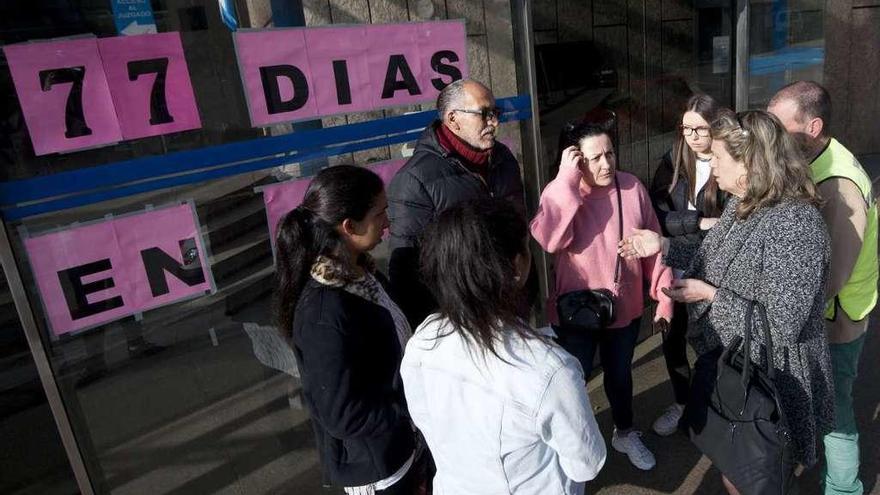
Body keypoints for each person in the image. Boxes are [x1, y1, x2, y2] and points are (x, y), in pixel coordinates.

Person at [619, 110, 835, 494]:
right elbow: (713, 254)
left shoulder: (796, 222)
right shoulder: (743, 201)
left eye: (718, 157)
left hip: (774, 377)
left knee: (764, 477)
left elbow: (784, 323)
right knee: (738, 468)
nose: (710, 164)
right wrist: (664, 245)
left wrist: (709, 295)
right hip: (738, 363)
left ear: (751, 163)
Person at [401, 198, 606, 495]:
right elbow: (586, 463)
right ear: (517, 266)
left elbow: (423, 418)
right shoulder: (549, 368)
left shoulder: (424, 339)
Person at [530, 122, 674, 471]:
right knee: (572, 381)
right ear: (576, 160)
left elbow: (653, 243)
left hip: (623, 307)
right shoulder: (561, 191)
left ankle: (625, 432)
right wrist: (566, 181)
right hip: (576, 312)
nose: (606, 164)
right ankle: (574, 446)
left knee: (620, 375)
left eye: (609, 153)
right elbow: (549, 240)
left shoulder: (631, 187)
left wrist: (664, 295)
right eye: (595, 158)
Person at [274, 165, 419, 494]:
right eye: (380, 213)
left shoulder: (361, 273)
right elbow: (342, 416)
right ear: (349, 226)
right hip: (378, 466)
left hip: (402, 445)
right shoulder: (324, 313)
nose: (387, 222)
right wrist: (412, 405)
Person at [769, 80, 877, 495]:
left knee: (837, 413)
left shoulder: (840, 183)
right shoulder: (816, 163)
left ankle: (844, 489)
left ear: (812, 127)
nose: (773, 135)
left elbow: (834, 276)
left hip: (838, 322)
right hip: (826, 317)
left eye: (781, 126)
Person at [387, 78, 526, 328]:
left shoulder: (503, 159)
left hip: (509, 311)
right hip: (460, 325)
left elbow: (518, 232)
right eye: (484, 114)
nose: (494, 123)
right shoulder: (415, 180)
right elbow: (407, 273)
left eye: (496, 113)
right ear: (453, 119)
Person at [649, 94, 728, 436]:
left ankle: (720, 409)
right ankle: (682, 403)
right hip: (676, 268)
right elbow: (656, 214)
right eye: (686, 129)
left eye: (701, 128)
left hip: (715, 274)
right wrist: (696, 222)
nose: (693, 136)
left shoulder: (730, 163)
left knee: (714, 346)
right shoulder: (672, 161)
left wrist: (697, 226)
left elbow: (730, 225)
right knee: (673, 341)